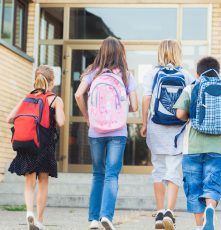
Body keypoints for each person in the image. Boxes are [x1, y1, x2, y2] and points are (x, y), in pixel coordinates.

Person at [74, 37, 138, 230]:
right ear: (121, 53)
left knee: (97, 174)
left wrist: (87, 116)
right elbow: (134, 106)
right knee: (112, 175)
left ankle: (94, 219)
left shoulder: (93, 72)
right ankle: (106, 217)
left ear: (101, 52)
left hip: (96, 131)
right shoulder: (126, 75)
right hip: (118, 131)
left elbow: (78, 95)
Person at [140, 39, 194, 230]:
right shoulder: (186, 74)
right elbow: (190, 102)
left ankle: (160, 212)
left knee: (158, 170)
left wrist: (144, 123)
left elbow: (146, 99)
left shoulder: (152, 73)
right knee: (173, 171)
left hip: (156, 128)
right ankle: (170, 212)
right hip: (178, 131)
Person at [174, 56, 221, 230]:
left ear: (197, 74)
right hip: (218, 148)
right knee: (212, 184)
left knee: (194, 188)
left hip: (192, 147)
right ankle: (210, 209)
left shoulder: (191, 88)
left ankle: (200, 226)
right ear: (218, 72)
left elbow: (179, 114)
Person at [7, 65, 65, 230]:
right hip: (44, 145)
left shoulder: (27, 98)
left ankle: (29, 213)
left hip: (27, 144)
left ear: (36, 80)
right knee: (43, 182)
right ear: (52, 82)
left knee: (29, 182)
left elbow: (9, 118)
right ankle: (39, 220)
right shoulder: (55, 99)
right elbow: (60, 122)